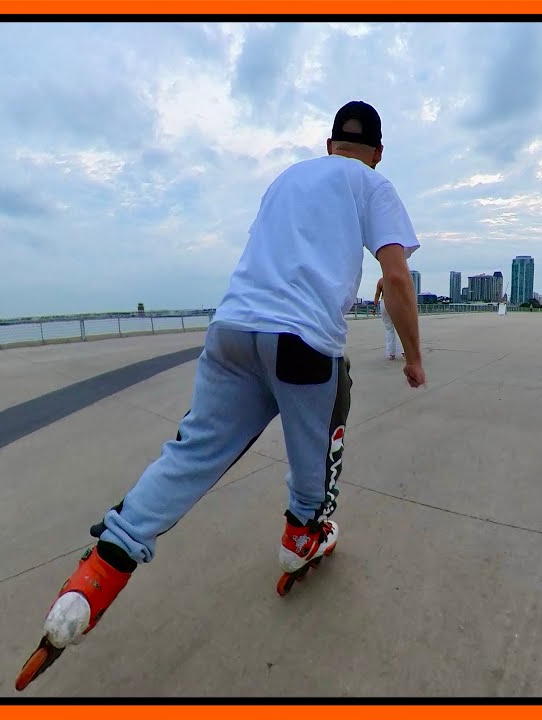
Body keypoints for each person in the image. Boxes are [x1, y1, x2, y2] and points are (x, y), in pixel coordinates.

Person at [34, 101, 426, 653]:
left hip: (231, 330)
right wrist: (414, 357)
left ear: (328, 143)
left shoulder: (287, 178)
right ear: (377, 154)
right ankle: (302, 536)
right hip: (302, 345)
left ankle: (95, 576)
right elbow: (396, 276)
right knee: (316, 444)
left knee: (191, 451)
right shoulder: (371, 184)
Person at [372, 277, 403, 360]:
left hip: (384, 303)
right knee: (400, 328)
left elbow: (377, 294)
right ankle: (404, 352)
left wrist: (374, 307)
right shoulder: (396, 278)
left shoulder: (381, 281)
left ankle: (391, 353)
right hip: (394, 301)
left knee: (389, 329)